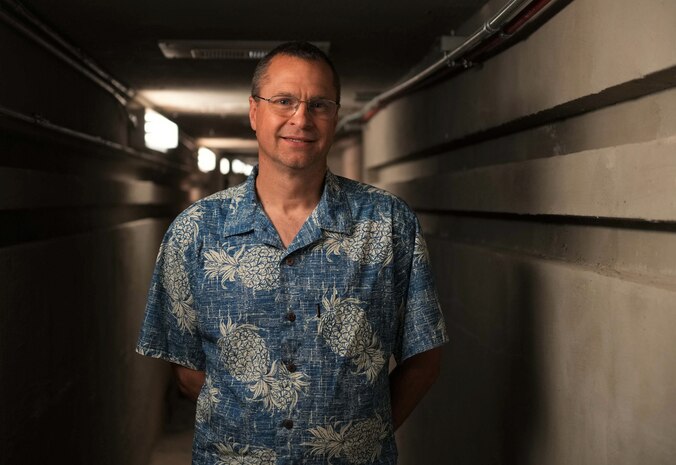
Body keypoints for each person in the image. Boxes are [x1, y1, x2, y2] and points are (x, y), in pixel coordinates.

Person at [136, 41, 448, 465]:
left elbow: (423, 357)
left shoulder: (388, 224)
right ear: (254, 111)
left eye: (319, 104)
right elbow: (188, 371)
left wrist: (360, 436)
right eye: (284, 101)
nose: (301, 118)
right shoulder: (195, 231)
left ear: (336, 116)